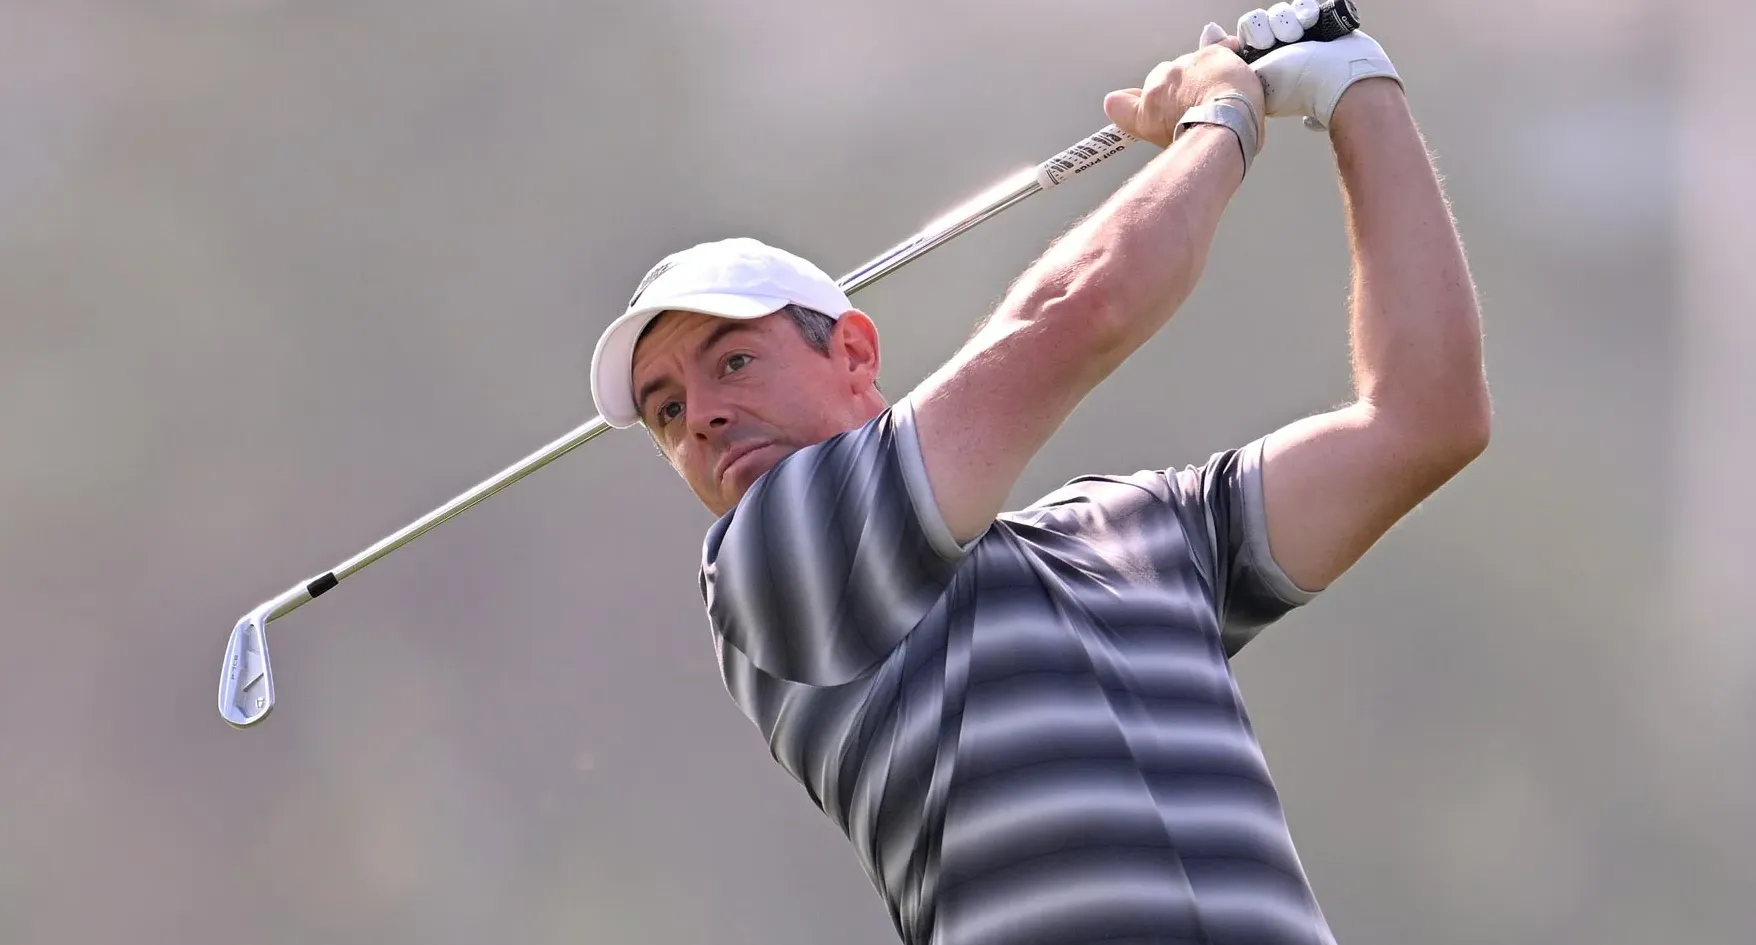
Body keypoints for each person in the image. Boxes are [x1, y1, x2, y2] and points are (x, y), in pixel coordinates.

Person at [587, 13, 1488, 945]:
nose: (699, 417)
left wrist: (1357, 90)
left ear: (853, 351)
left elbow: (1424, 421)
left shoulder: (1141, 532)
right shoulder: (770, 565)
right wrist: (1221, 116)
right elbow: (1080, 308)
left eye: (732, 363)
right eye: (664, 411)